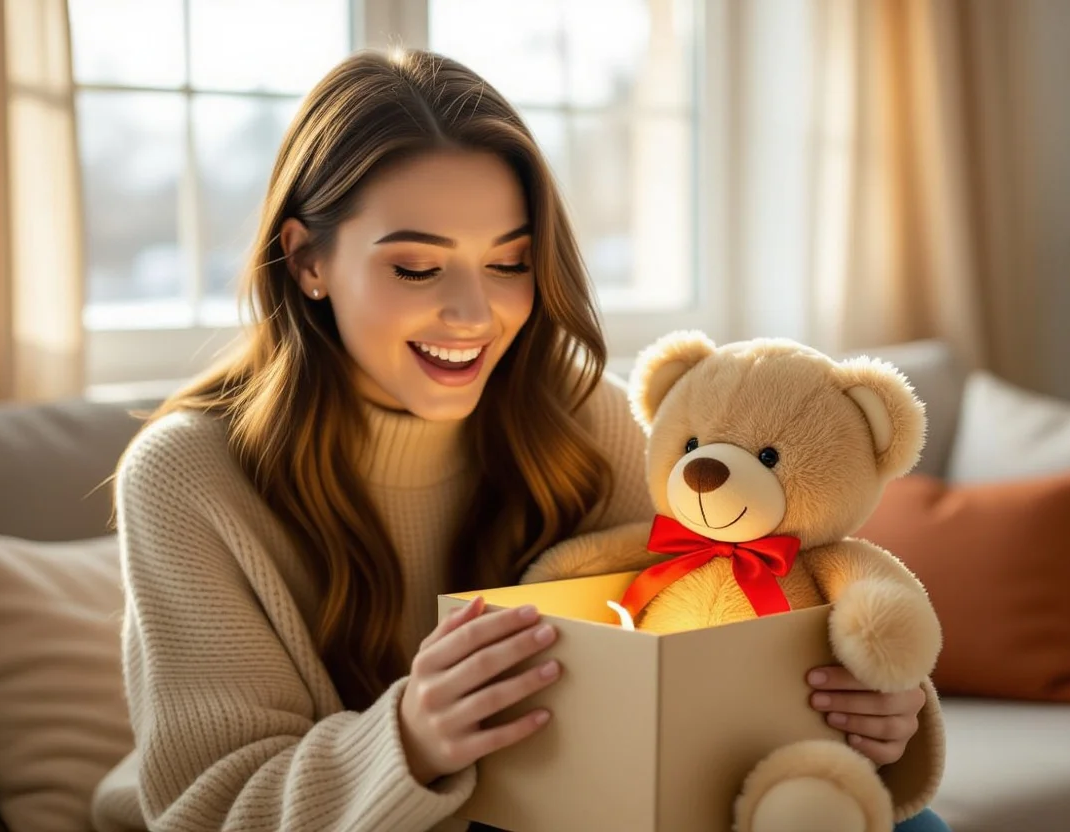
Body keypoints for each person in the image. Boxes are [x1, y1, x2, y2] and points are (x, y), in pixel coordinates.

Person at [88, 48, 950, 832]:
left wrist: (879, 718)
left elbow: (708, 630)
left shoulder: (585, 418)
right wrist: (412, 740)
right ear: (308, 260)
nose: (475, 314)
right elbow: (210, 807)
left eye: (509, 262)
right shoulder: (188, 477)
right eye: (417, 267)